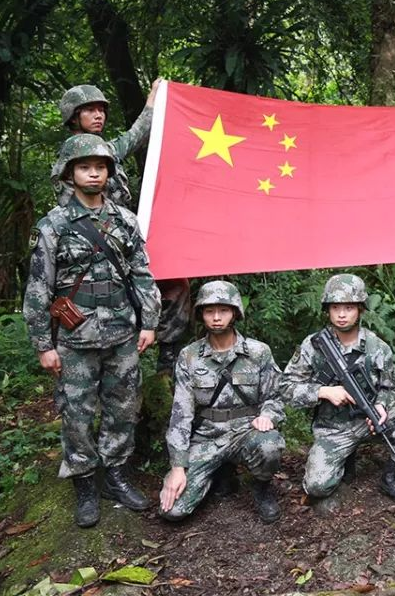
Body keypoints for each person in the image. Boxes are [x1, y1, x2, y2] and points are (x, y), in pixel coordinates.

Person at [24, 134, 161, 528]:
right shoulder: (53, 226)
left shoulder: (125, 221)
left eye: (100, 167)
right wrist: (42, 345)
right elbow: (37, 288)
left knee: (123, 409)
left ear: (109, 173)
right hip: (74, 340)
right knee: (76, 415)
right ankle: (85, 482)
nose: (93, 173)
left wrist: (150, 321)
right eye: (85, 167)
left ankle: (116, 475)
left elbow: (142, 275)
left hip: (122, 335)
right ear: (70, 173)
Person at [54, 80, 190, 374]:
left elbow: (137, 133)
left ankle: (166, 359)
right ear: (73, 117)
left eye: (101, 109)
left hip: (125, 237)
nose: (99, 115)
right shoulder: (71, 155)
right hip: (92, 247)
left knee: (175, 283)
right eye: (90, 110)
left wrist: (155, 97)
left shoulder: (108, 149)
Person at [280, 274, 395, 512]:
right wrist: (323, 391)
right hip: (333, 428)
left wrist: (381, 406)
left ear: (360, 309)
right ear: (327, 310)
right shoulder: (313, 345)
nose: (341, 314)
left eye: (348, 307)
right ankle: (344, 460)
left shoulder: (376, 346)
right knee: (317, 486)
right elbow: (286, 387)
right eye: (335, 307)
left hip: (368, 421)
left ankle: (391, 477)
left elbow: (390, 387)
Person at [158, 281, 285, 524]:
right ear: (201, 315)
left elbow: (276, 396)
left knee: (270, 446)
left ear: (235, 312)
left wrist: (268, 415)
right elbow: (181, 415)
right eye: (209, 311)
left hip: (246, 431)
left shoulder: (258, 352)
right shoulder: (189, 356)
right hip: (207, 437)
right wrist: (177, 467)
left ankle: (261, 486)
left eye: (223, 310)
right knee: (172, 511)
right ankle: (218, 474)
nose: (216, 318)